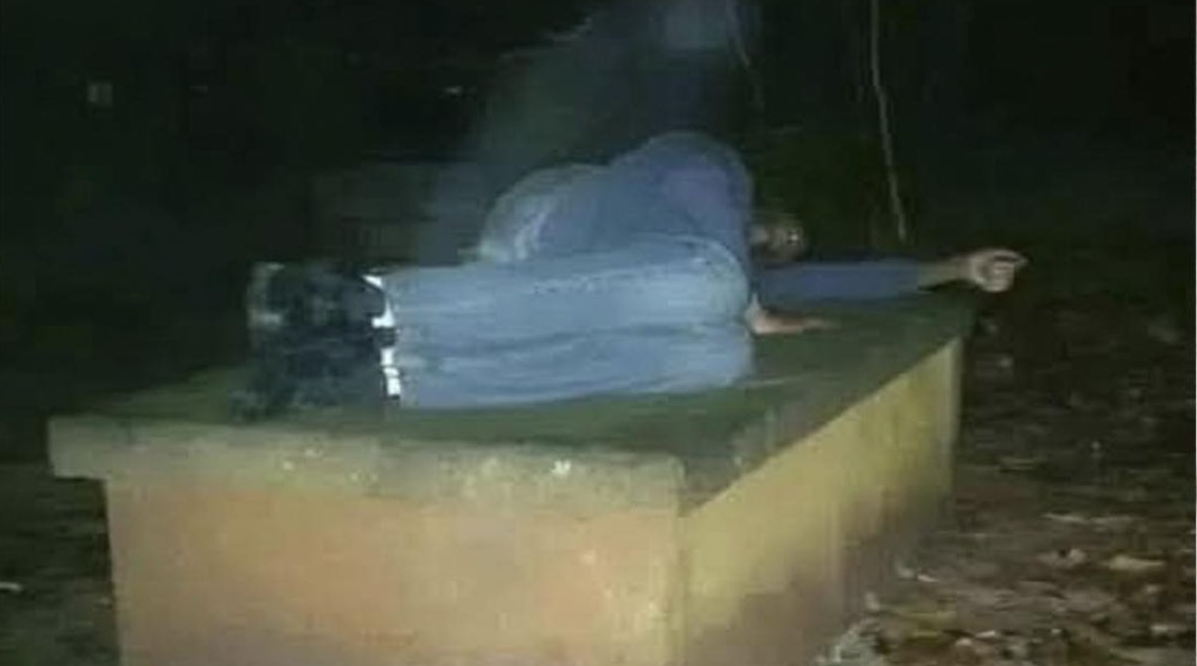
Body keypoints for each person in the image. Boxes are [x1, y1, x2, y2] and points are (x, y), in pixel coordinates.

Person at [234, 130, 1024, 418]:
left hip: (595, 285)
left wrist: (955, 267)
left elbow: (839, 282)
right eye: (782, 227)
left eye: (786, 250)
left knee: (717, 355)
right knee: (714, 291)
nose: (782, 242)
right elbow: (700, 184)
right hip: (548, 216)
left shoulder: (727, 272)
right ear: (764, 204)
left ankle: (378, 377)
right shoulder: (709, 168)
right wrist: (748, 300)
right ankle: (335, 297)